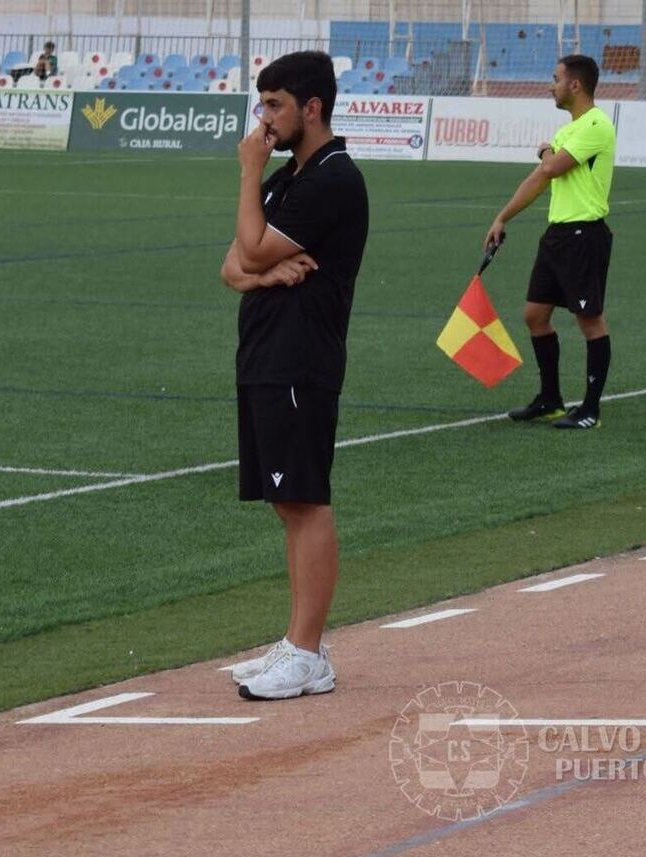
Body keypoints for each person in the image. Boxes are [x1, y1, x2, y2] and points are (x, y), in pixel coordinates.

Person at [219, 51, 369, 699]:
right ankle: (297, 642)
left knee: (306, 500)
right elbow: (233, 265)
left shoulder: (332, 178)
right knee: (287, 502)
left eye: (275, 104)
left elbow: (249, 246)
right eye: (262, 105)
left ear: (312, 107)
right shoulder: (290, 178)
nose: (265, 118)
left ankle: (308, 651)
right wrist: (262, 271)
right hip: (264, 354)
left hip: (300, 358)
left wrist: (249, 172)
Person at [484, 54, 615, 430]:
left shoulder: (596, 125)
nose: (550, 85)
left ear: (575, 85)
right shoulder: (566, 132)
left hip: (584, 234)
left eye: (555, 78)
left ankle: (590, 409)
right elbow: (539, 179)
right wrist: (502, 216)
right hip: (558, 235)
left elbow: (551, 167)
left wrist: (544, 151)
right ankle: (551, 399)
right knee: (534, 315)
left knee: (590, 321)